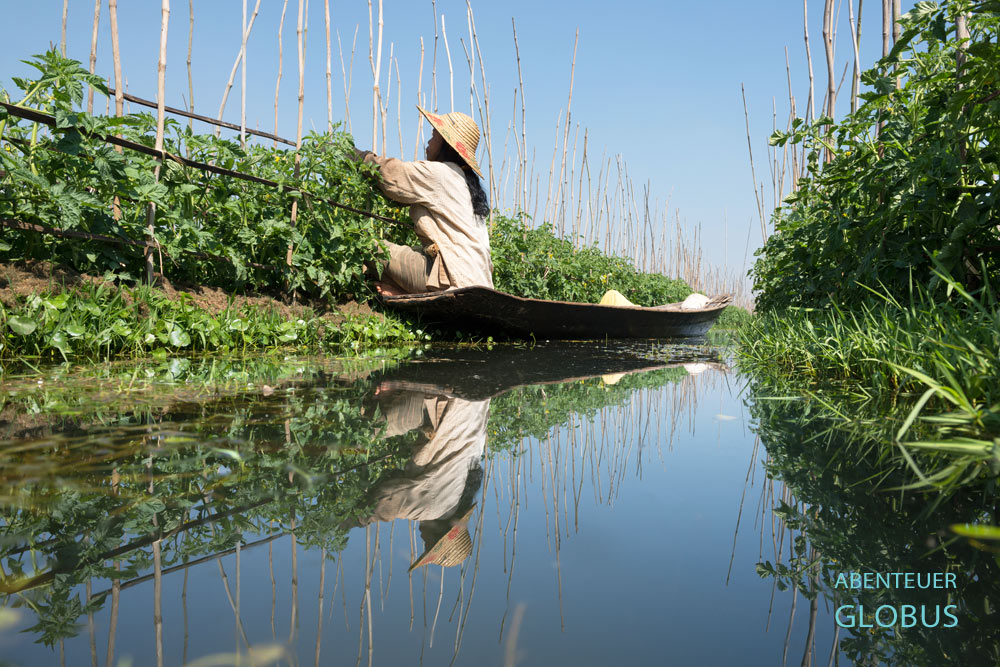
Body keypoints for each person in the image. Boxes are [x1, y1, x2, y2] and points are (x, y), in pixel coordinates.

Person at [354, 107, 494, 296]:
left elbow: (391, 174)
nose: (428, 141)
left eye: (434, 135)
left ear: (446, 144)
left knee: (364, 244)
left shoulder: (440, 174)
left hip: (453, 281)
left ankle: (402, 291)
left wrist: (357, 156)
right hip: (479, 282)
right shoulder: (464, 182)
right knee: (412, 252)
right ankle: (402, 288)